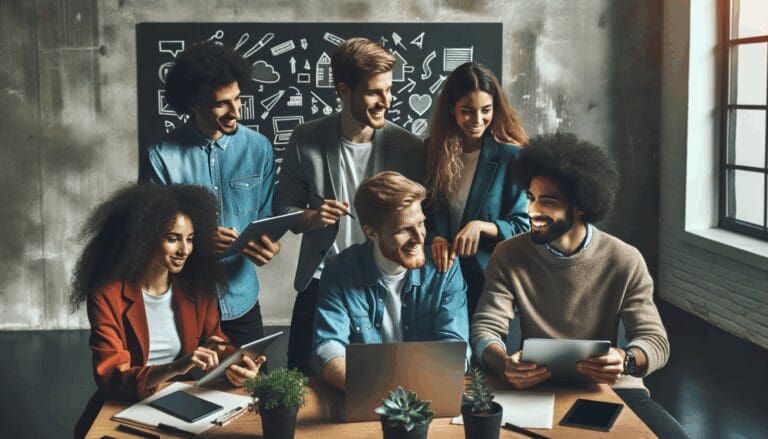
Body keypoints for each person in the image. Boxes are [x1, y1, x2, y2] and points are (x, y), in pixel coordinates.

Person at [470, 133, 688, 438]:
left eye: (548, 202)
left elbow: (655, 342)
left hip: (613, 388)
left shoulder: (624, 259)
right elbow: (485, 328)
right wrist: (503, 362)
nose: (532, 212)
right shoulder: (508, 255)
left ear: (580, 207)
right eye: (531, 198)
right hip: (537, 387)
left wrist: (625, 360)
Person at [274, 38, 424, 374]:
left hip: (384, 282)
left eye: (389, 89)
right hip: (320, 282)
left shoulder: (410, 148)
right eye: (375, 92)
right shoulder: (305, 139)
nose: (386, 101)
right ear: (343, 90)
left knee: (383, 381)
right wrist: (310, 218)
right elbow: (283, 209)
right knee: (302, 379)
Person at [72, 184, 264, 438]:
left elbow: (215, 343)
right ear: (145, 237)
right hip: (123, 408)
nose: (184, 250)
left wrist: (237, 365)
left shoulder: (197, 288)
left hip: (178, 404)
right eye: (173, 238)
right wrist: (177, 367)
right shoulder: (107, 294)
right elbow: (112, 377)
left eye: (191, 239)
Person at [141, 41, 280, 348]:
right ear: (193, 104)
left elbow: (267, 219)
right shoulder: (160, 157)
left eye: (238, 99)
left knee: (256, 391)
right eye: (221, 104)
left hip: (242, 302)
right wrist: (200, 242)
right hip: (183, 302)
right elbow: (148, 235)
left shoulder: (260, 149)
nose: (235, 111)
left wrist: (269, 245)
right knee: (185, 391)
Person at [312, 172, 468, 391]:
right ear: (372, 233)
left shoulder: (445, 269)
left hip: (429, 392)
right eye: (404, 229)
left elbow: (456, 347)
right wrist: (367, 389)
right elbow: (328, 346)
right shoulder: (339, 271)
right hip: (365, 393)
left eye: (421, 223)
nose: (419, 237)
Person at [425, 62, 530, 316]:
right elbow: (423, 213)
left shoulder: (511, 156)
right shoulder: (432, 152)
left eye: (486, 110)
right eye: (467, 111)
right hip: (439, 280)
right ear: (452, 109)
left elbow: (523, 225)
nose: (477, 120)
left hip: (490, 283)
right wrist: (435, 238)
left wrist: (481, 226)